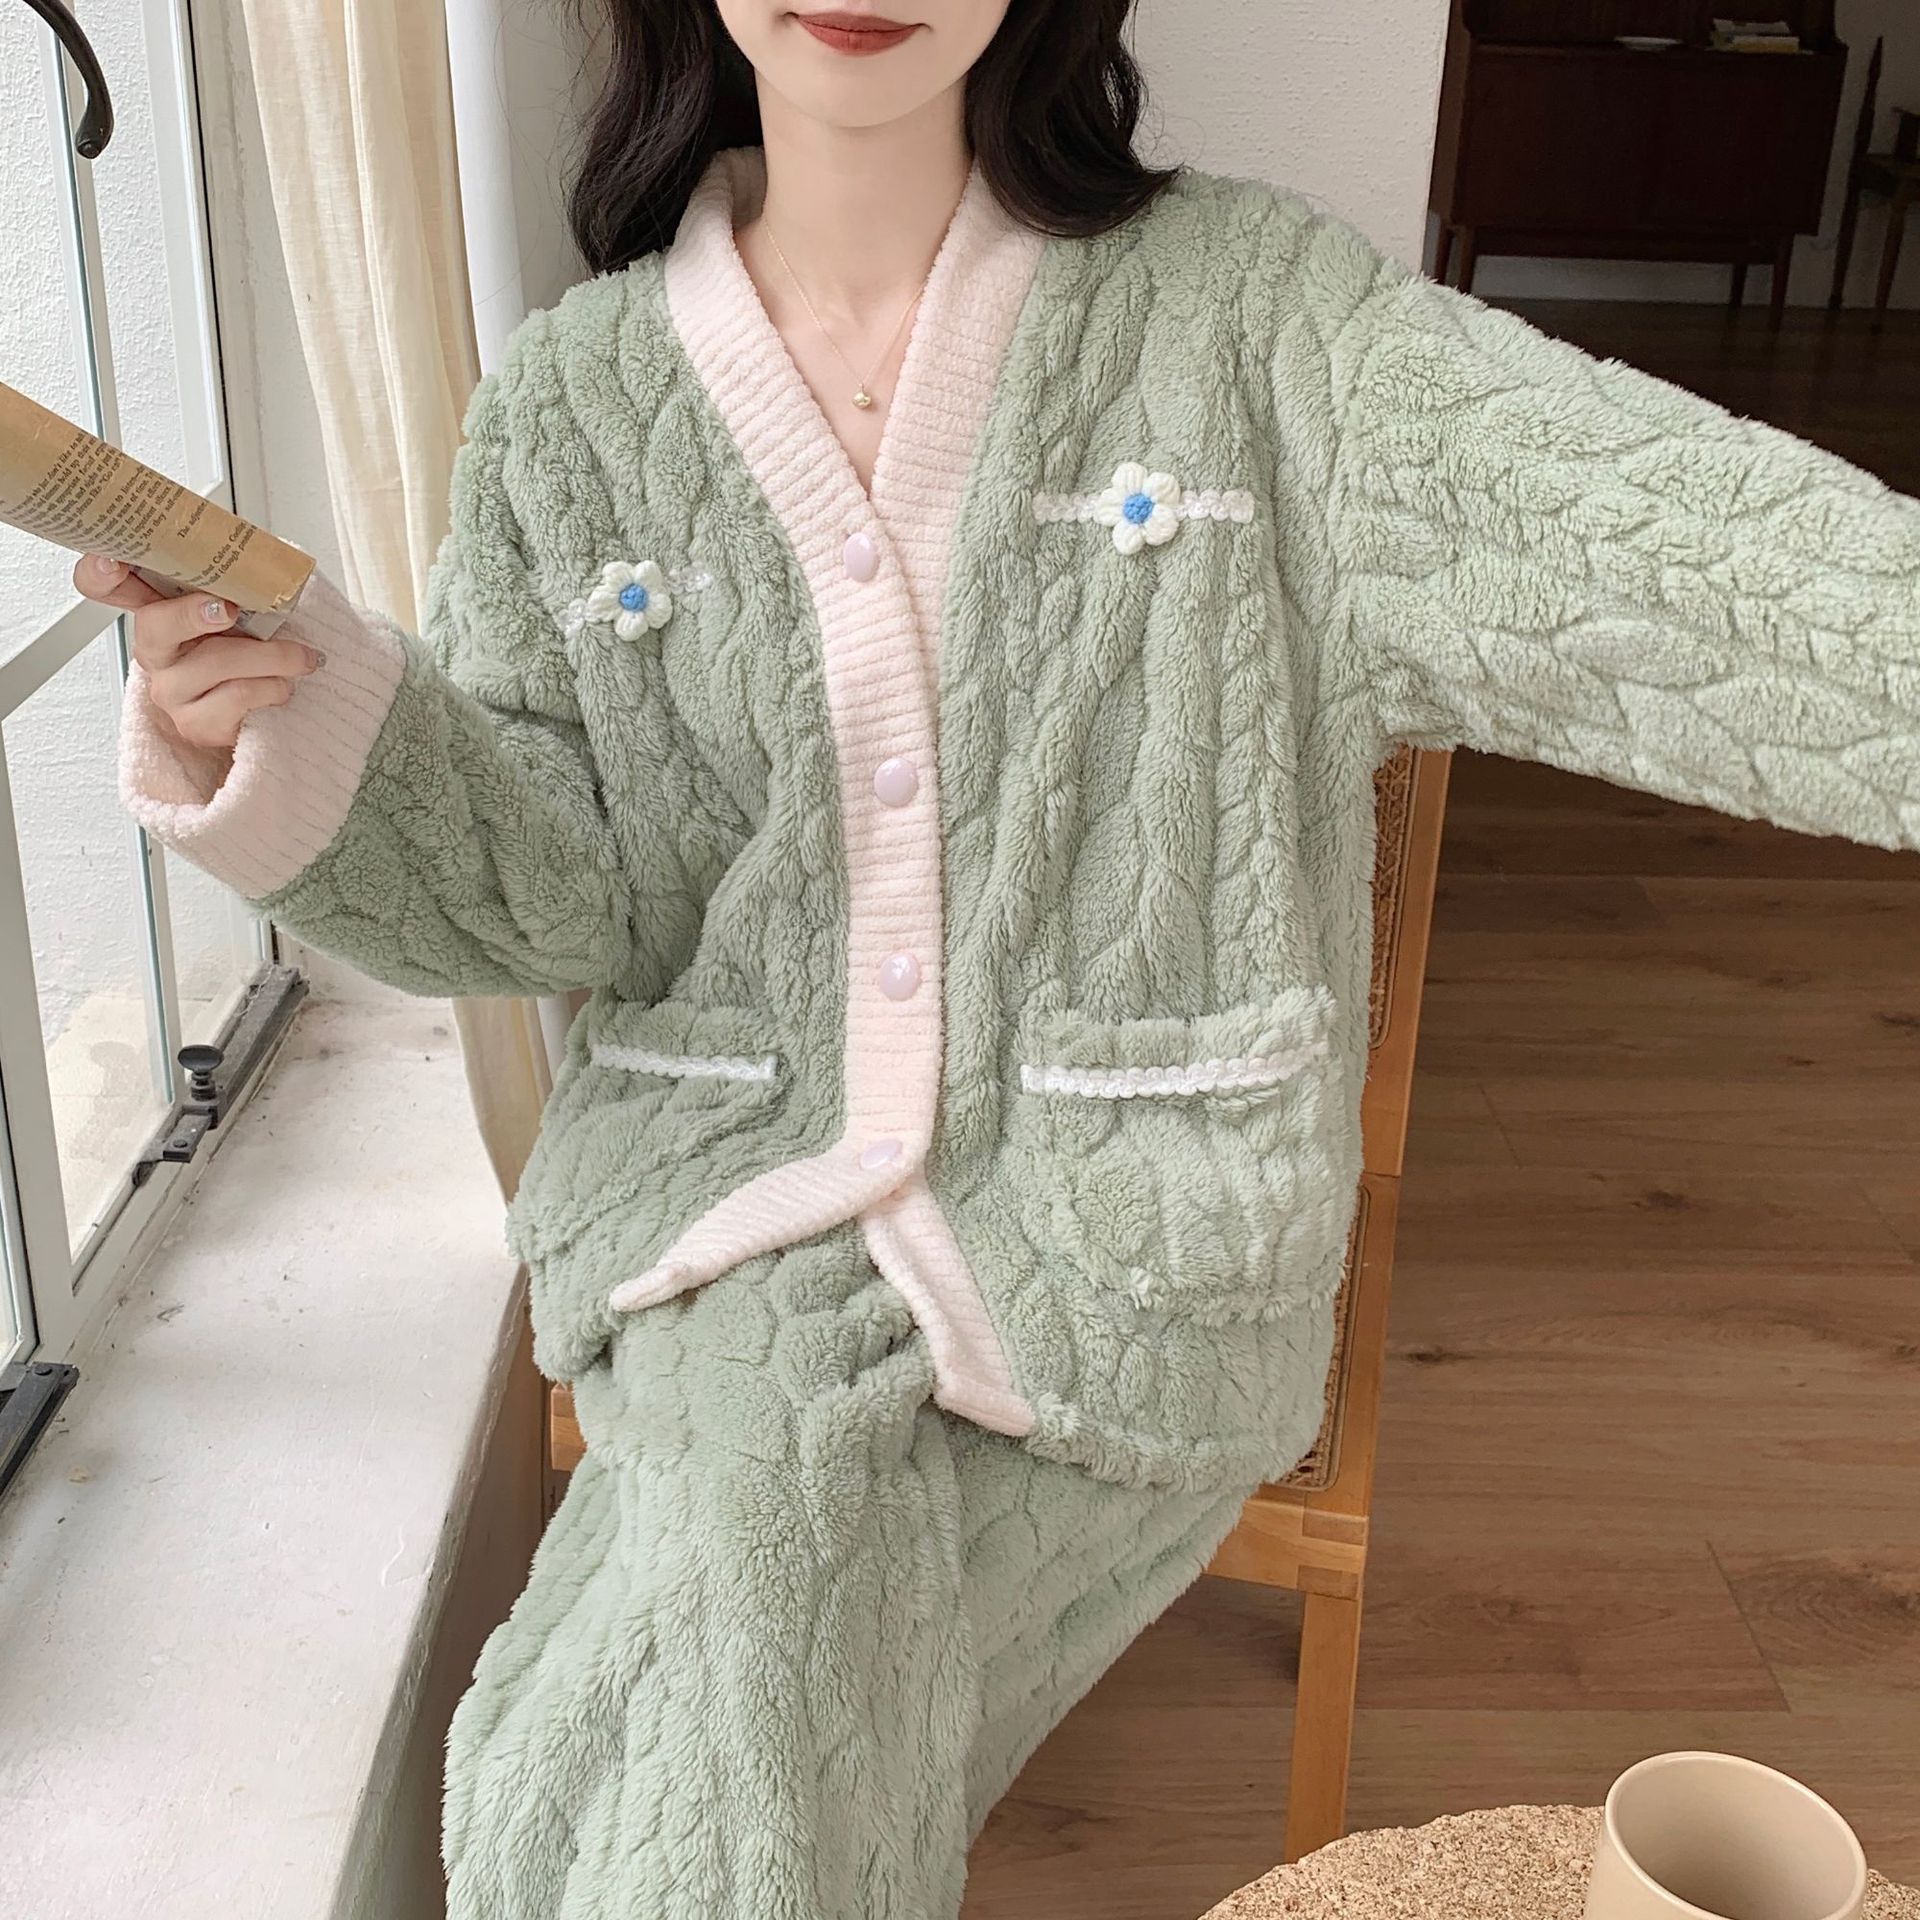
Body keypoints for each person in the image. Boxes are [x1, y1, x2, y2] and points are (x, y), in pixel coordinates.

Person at [82, 1, 1920, 1913]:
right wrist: (294, 724)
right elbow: (557, 887)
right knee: (747, 1605)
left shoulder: (1257, 325)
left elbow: (1704, 569)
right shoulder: (573, 402)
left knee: (708, 1658)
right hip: (727, 1223)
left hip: (1123, 1244)